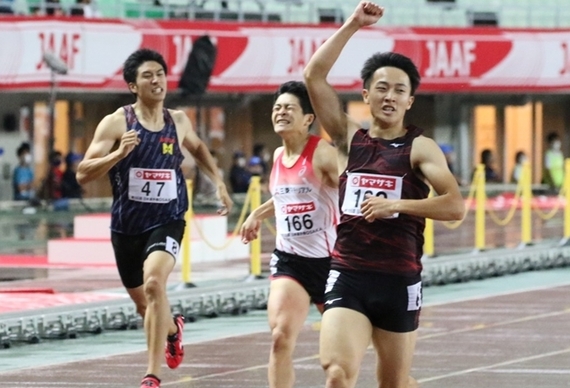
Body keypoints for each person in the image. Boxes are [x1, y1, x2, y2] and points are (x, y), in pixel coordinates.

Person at [303, 2, 465, 387]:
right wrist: (353, 24)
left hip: (398, 280)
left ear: (410, 101)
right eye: (382, 88)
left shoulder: (420, 148)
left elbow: (455, 205)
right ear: (366, 95)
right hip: (348, 274)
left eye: (399, 91)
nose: (389, 96)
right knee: (337, 374)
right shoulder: (348, 139)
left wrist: (397, 204)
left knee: (393, 384)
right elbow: (314, 76)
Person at [76, 48, 232, 388]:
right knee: (145, 306)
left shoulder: (178, 120)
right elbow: (83, 174)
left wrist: (219, 182)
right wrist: (119, 153)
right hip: (127, 225)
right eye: (148, 75)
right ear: (133, 85)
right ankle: (174, 329)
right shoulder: (117, 122)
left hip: (168, 217)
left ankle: (151, 374)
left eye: (160, 73)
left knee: (153, 283)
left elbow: (199, 148)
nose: (156, 79)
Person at [240, 81, 339, 388]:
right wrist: (257, 213)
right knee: (280, 337)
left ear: (308, 118)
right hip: (290, 262)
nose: (280, 112)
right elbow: (287, 196)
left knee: (337, 359)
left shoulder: (323, 154)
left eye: (289, 108)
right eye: (277, 108)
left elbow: (353, 191)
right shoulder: (279, 155)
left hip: (333, 264)